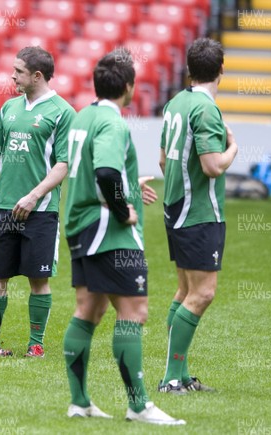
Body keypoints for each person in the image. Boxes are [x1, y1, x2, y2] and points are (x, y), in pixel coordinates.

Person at [63, 49, 185, 425]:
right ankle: (139, 404)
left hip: (80, 224)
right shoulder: (115, 124)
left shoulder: (84, 116)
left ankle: (80, 402)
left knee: (89, 310)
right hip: (108, 230)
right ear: (129, 87)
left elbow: (97, 171)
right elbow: (104, 173)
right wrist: (123, 208)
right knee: (134, 312)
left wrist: (131, 184)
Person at [0, 46, 75, 357]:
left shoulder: (63, 112)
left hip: (41, 211)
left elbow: (63, 163)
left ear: (36, 76)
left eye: (18, 71)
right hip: (4, 207)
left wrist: (34, 196)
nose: (12, 76)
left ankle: (36, 345)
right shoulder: (8, 109)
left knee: (39, 278)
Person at [158, 38, 238, 393]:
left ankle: (179, 374)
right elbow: (212, 166)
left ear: (189, 69)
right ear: (221, 70)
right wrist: (233, 147)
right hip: (199, 212)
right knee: (202, 294)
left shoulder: (176, 102)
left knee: (185, 290)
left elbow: (163, 161)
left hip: (175, 207)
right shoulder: (206, 110)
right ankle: (172, 377)